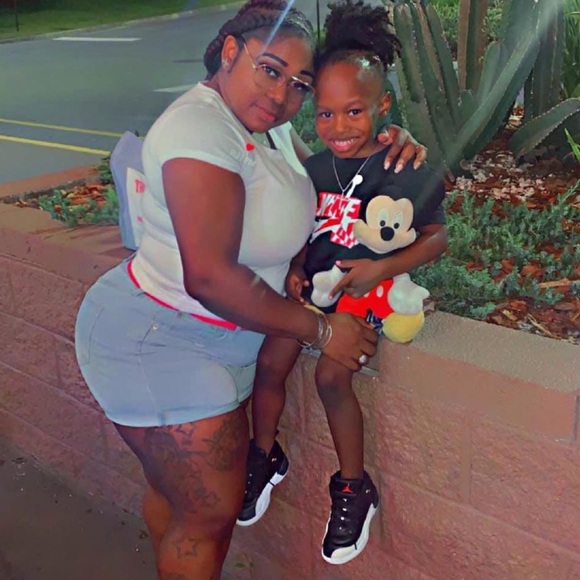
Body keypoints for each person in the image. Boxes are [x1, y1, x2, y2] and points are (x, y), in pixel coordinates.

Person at [74, 1, 425, 578]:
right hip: (164, 338)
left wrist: (386, 148)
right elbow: (210, 275)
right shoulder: (199, 131)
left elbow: (335, 182)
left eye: (299, 84)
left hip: (227, 338)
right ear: (231, 52)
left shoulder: (268, 126)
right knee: (207, 515)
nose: (282, 93)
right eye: (270, 70)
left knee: (181, 499)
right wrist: (322, 330)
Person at [237, 0, 448, 567]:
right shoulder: (314, 169)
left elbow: (437, 237)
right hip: (316, 292)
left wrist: (381, 269)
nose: (338, 128)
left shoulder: (401, 166)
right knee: (271, 360)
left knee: (332, 376)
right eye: (325, 114)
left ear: (382, 107)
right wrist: (296, 266)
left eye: (354, 112)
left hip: (363, 296)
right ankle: (264, 454)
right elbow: (304, 228)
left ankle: (354, 487)